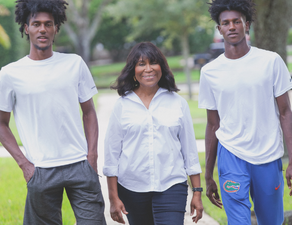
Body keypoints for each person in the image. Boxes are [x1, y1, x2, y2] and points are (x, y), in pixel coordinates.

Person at [0, 0, 106, 224]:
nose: (42, 29)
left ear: (56, 28)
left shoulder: (74, 64)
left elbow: (89, 112)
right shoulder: (10, 74)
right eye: (36, 24)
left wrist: (92, 156)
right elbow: (1, 123)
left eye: (48, 24)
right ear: (26, 27)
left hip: (80, 165)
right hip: (41, 169)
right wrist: (25, 164)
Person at [198, 0, 292, 224]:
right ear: (219, 29)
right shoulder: (209, 72)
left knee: (271, 221)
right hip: (231, 155)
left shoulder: (270, 61)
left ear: (247, 25)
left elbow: (286, 113)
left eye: (237, 21)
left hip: (269, 154)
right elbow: (212, 124)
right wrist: (208, 173)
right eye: (226, 23)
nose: (232, 26)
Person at [103, 42, 203, 225]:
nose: (148, 69)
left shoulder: (178, 103)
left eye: (153, 63)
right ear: (133, 70)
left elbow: (190, 152)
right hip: (132, 188)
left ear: (161, 68)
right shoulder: (122, 105)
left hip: (172, 185)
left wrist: (197, 191)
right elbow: (111, 156)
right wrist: (113, 198)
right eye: (141, 64)